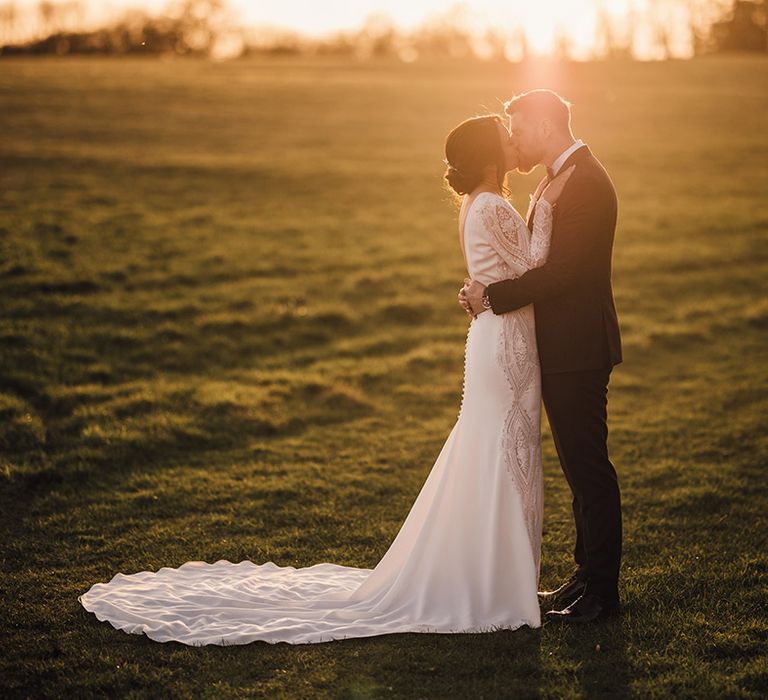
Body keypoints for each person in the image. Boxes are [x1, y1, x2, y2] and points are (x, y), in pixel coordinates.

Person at [78, 114, 572, 646]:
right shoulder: (495, 205)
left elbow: (509, 271)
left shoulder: (476, 205)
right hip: (506, 347)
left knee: (496, 451)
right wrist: (545, 208)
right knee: (503, 451)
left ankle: (499, 577)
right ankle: (499, 584)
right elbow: (536, 265)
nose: (513, 139)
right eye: (505, 136)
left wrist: (487, 283)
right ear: (491, 156)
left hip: (497, 338)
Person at [460, 90, 623, 623]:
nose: (516, 141)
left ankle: (602, 591)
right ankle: (583, 577)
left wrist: (492, 296)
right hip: (555, 347)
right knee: (578, 469)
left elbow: (565, 272)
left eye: (520, 128)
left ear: (546, 123)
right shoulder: (558, 178)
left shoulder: (588, 182)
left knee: (589, 467)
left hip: (579, 347)